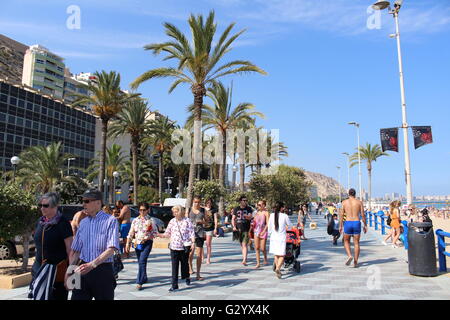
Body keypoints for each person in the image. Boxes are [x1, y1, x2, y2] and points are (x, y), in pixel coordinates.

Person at [67, 189, 120, 300]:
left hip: (102, 271)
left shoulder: (110, 221)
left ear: (98, 202)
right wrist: (69, 272)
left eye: (87, 201)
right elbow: (76, 250)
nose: (83, 204)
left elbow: (112, 248)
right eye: (83, 201)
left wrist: (92, 265)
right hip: (82, 269)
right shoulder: (83, 222)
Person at [30, 192, 73, 300]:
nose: (42, 208)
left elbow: (70, 250)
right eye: (41, 205)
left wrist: (72, 275)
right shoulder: (40, 222)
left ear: (55, 206)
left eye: (45, 206)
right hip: (39, 271)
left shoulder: (63, 223)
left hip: (57, 274)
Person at [158, 205, 195, 292]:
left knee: (184, 264)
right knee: (174, 266)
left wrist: (193, 243)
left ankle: (187, 276)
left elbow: (191, 233)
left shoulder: (187, 221)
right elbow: (167, 233)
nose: (175, 214)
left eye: (176, 212)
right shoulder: (172, 221)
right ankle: (174, 285)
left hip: (184, 246)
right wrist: (160, 235)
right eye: (174, 212)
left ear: (181, 211)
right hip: (174, 247)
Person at [125, 202, 158, 290]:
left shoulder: (151, 220)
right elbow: (131, 232)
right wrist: (128, 243)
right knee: (140, 261)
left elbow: (155, 233)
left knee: (142, 260)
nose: (142, 212)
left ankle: (139, 281)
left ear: (147, 210)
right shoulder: (135, 220)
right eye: (140, 210)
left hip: (147, 243)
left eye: (144, 210)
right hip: (137, 243)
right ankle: (144, 277)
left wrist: (147, 238)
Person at [340, 188, 367, 268]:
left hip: (348, 222)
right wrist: (365, 225)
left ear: (349, 194)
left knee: (346, 241)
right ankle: (355, 262)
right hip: (356, 222)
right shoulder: (359, 202)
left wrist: (340, 225)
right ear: (355, 194)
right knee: (356, 243)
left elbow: (341, 215)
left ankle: (349, 255)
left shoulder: (344, 202)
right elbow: (362, 215)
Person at [268, 202, 292, 279]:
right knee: (282, 255)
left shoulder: (271, 215)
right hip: (281, 238)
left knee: (276, 254)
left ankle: (277, 268)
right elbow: (290, 226)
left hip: (273, 238)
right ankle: (278, 268)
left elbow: (269, 228)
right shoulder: (285, 216)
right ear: (281, 208)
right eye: (283, 207)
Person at [231, 195, 254, 266]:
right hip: (238, 229)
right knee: (241, 244)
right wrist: (234, 226)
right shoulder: (236, 209)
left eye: (246, 200)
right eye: (244, 200)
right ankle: (249, 245)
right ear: (240, 201)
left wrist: (247, 216)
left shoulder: (249, 208)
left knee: (244, 244)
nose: (245, 202)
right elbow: (233, 218)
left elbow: (250, 217)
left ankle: (244, 260)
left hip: (246, 229)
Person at [187, 196, 206, 280]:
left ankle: (198, 273)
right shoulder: (189, 210)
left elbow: (207, 221)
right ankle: (190, 267)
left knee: (199, 254)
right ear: (192, 202)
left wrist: (202, 221)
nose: (197, 204)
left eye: (198, 202)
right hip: (190, 234)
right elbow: (185, 221)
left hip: (200, 233)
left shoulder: (203, 210)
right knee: (190, 253)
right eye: (195, 202)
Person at [253, 200, 270, 268]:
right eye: (258, 204)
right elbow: (253, 221)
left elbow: (268, 223)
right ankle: (258, 263)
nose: (258, 206)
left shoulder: (266, 213)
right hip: (256, 231)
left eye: (260, 205)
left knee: (262, 248)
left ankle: (265, 258)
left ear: (264, 205)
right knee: (257, 248)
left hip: (263, 231)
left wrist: (264, 231)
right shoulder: (256, 213)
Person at [203, 198, 218, 265]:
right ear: (206, 203)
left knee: (208, 244)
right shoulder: (202, 209)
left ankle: (208, 259)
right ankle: (202, 256)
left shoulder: (214, 210)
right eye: (208, 202)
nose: (209, 204)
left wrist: (215, 228)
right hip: (202, 228)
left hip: (210, 228)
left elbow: (215, 219)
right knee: (200, 244)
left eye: (210, 203)